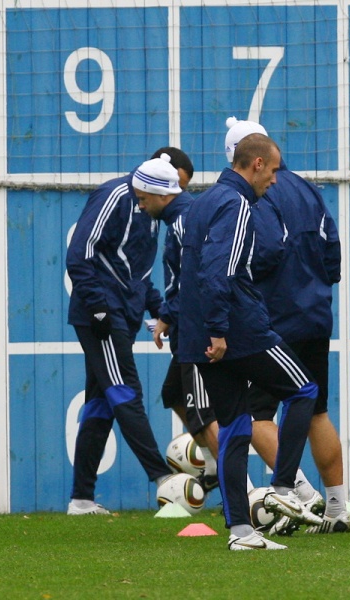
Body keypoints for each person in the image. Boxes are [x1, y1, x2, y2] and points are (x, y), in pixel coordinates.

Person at [177, 133, 322, 551]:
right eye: (273, 171)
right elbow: (218, 270)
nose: (275, 180)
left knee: (235, 426)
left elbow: (186, 267)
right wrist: (219, 329)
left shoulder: (202, 201)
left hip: (200, 336)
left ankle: (241, 531)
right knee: (304, 391)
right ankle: (283, 488)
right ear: (256, 164)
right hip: (238, 331)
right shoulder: (237, 204)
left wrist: (203, 330)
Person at [223, 117, 349, 533]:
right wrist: (317, 286)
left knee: (258, 414)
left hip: (274, 319)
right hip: (315, 313)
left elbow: (265, 251)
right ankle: (338, 508)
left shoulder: (256, 194)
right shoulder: (307, 188)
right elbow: (333, 250)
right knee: (317, 412)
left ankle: (299, 496)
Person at [65, 152, 180, 515]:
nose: (174, 197)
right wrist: (98, 306)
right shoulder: (115, 196)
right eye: (174, 187)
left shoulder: (151, 213)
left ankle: (81, 499)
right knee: (126, 391)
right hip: (102, 316)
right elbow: (79, 253)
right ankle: (165, 480)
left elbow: (138, 276)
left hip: (122, 315)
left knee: (101, 402)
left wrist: (159, 309)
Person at [136, 147, 220, 493]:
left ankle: (242, 489)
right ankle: (213, 467)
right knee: (173, 392)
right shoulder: (181, 218)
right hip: (191, 324)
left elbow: (192, 279)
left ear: (161, 194)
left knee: (204, 412)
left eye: (143, 198)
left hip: (198, 331)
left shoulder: (184, 221)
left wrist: (167, 316)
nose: (141, 206)